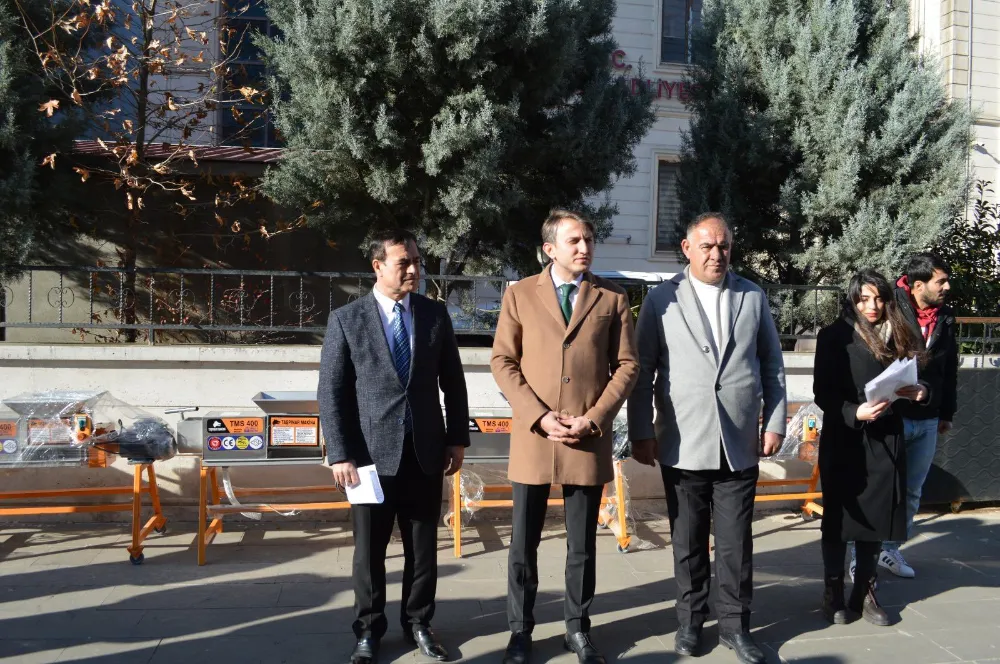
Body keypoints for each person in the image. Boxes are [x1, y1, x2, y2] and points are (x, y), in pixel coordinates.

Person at [628, 212, 786, 664]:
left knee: (736, 544)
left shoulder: (751, 296)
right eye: (707, 246)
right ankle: (691, 622)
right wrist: (641, 432)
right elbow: (642, 371)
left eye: (724, 246)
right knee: (688, 542)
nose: (717, 254)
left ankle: (736, 627)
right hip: (683, 441)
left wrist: (774, 422)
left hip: (738, 443)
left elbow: (772, 364)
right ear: (687, 248)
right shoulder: (662, 299)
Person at [491, 209, 638, 664]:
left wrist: (594, 418)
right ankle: (520, 631)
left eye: (589, 239)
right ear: (549, 249)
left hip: (585, 438)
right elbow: (502, 361)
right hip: (535, 437)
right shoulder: (519, 294)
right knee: (523, 543)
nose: (584, 247)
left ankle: (578, 628)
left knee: (582, 545)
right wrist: (538, 415)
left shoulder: (612, 297)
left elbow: (627, 365)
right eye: (574, 240)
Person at [318, 229, 470, 664]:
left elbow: (453, 383)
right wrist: (340, 453)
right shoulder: (347, 319)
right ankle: (368, 630)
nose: (414, 270)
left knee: (423, 548)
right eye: (405, 262)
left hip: (425, 451)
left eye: (417, 261)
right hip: (368, 458)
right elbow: (332, 392)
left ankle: (419, 622)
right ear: (377, 266)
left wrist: (456, 438)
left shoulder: (434, 315)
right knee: (369, 551)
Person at [813, 269, 929, 627]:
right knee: (838, 518)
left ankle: (864, 591)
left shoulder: (901, 333)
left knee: (876, 522)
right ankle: (833, 592)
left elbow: (922, 376)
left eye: (879, 298)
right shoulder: (834, 335)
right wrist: (854, 411)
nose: (872, 306)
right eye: (864, 299)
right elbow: (823, 393)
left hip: (886, 438)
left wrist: (921, 391)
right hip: (845, 438)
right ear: (852, 299)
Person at [849, 254, 957, 580]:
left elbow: (948, 369)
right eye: (941, 281)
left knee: (912, 491)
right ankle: (859, 555)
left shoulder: (945, 317)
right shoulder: (891, 306)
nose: (947, 287)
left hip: (927, 416)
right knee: (875, 488)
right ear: (918, 285)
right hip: (889, 416)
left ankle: (890, 549)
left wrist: (945, 411)